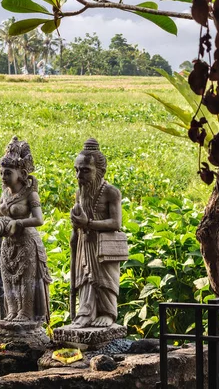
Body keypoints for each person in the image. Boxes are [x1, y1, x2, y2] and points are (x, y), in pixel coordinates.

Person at [69, 138, 125, 328]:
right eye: (76, 170)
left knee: (104, 280)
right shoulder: (80, 192)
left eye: (85, 171)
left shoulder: (111, 192)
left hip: (103, 243)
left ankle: (107, 312)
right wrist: (75, 228)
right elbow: (78, 215)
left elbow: (116, 223)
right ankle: (86, 312)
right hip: (85, 241)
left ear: (100, 171)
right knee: (86, 278)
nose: (79, 176)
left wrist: (89, 223)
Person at [0, 137, 51, 323]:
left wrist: (19, 223)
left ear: (21, 173)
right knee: (8, 279)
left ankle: (26, 313)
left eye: (8, 173)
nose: (3, 177)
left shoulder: (30, 193)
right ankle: (12, 311)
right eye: (2, 172)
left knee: (26, 280)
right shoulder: (5, 193)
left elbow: (39, 219)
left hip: (27, 241)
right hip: (8, 243)